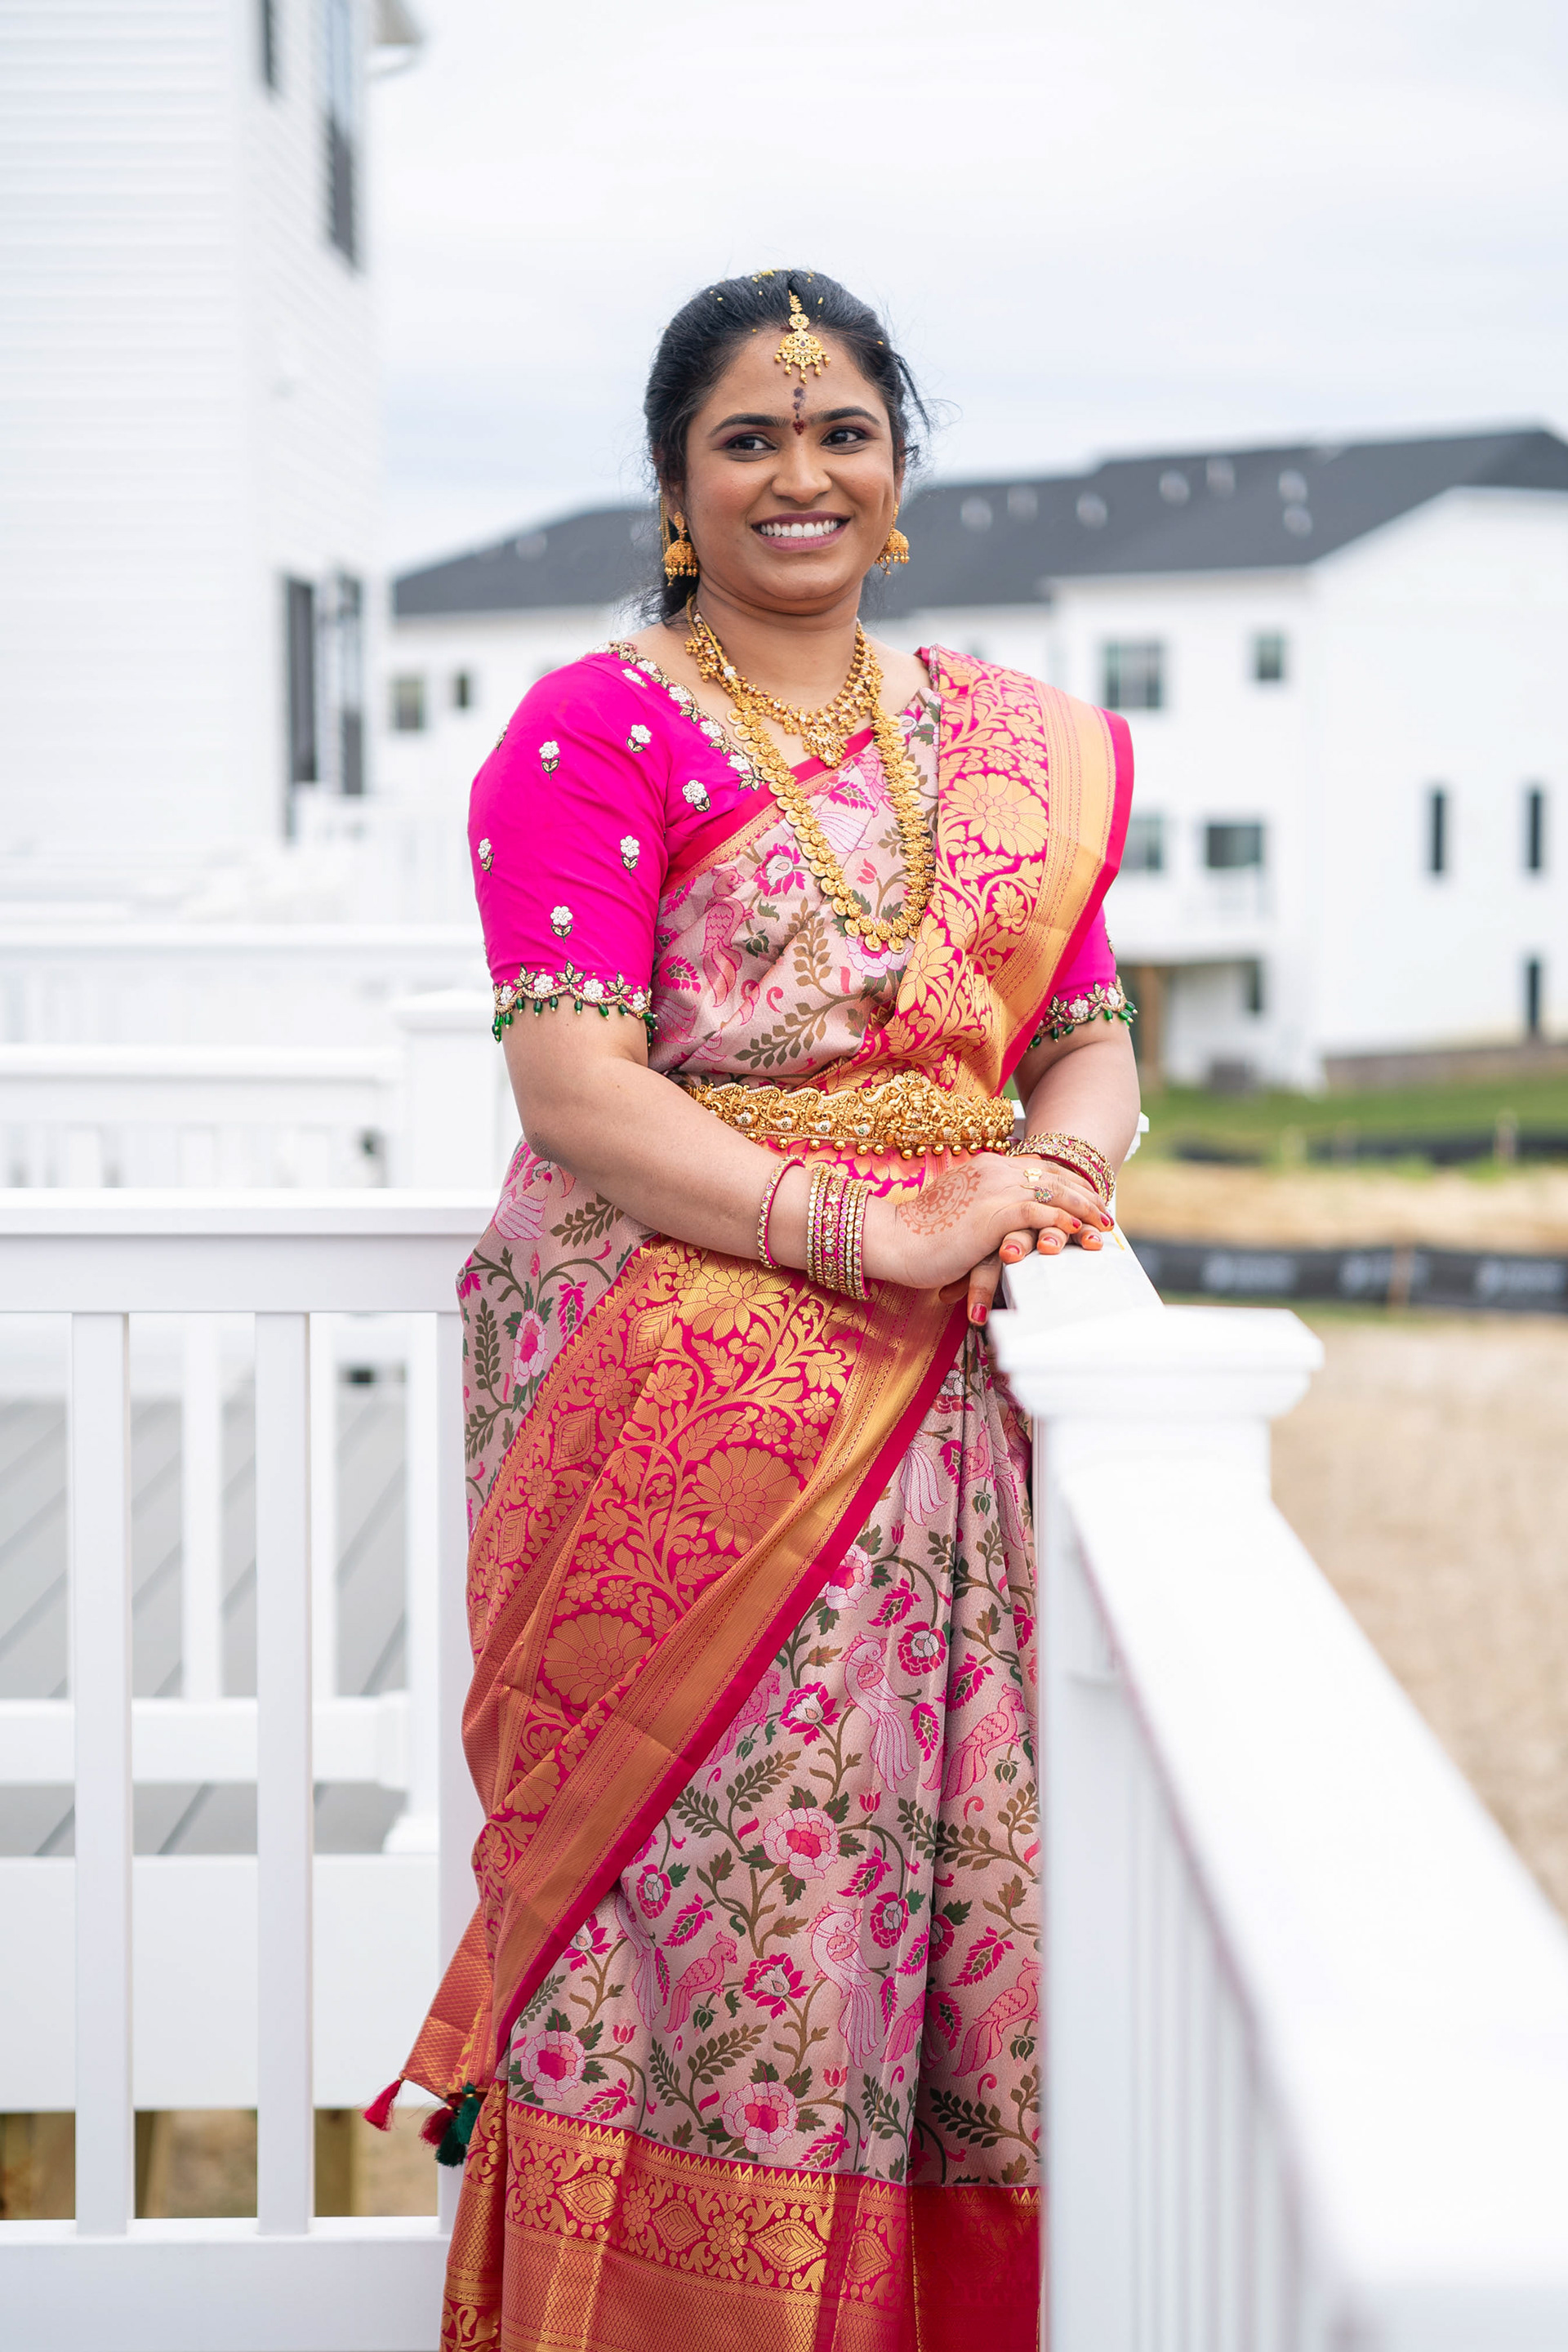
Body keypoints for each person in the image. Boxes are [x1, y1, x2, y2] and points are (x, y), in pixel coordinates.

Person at [372, 268, 1139, 2351]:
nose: (801, 474)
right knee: (687, 1901)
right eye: (748, 438)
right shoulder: (592, 727)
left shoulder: (1003, 748)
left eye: (842, 432)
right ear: (673, 484)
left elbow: (1086, 1036)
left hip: (943, 1404)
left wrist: (1055, 1188)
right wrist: (868, 1229)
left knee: (933, 1893)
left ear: (897, 472)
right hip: (669, 1373)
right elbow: (573, 1090)